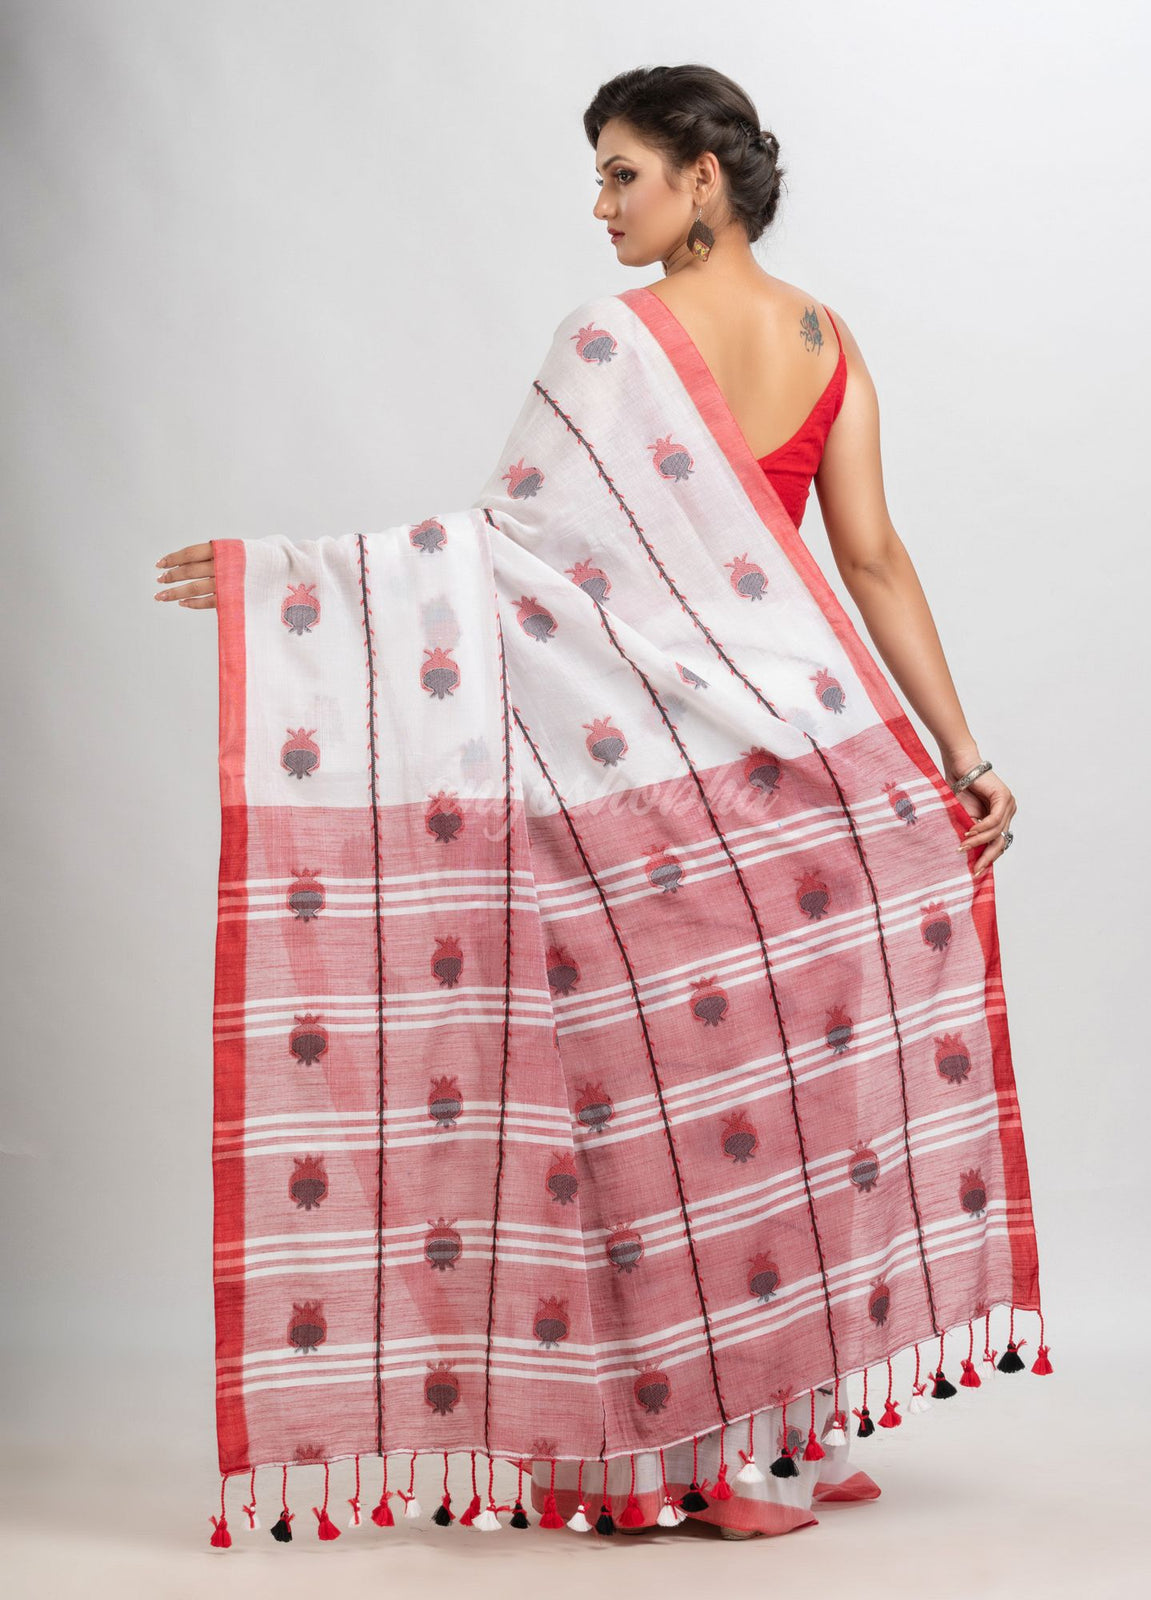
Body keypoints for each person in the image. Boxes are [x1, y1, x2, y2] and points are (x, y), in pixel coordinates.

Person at [155, 64, 1020, 1543]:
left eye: (624, 173)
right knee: (785, 1121)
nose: (603, 205)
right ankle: (773, 1442)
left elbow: (507, 557)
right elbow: (871, 557)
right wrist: (962, 751)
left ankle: (703, 1459)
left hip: (657, 807)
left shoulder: (613, 340)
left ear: (702, 176)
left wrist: (296, 582)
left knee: (669, 1139)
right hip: (814, 788)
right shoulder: (825, 340)